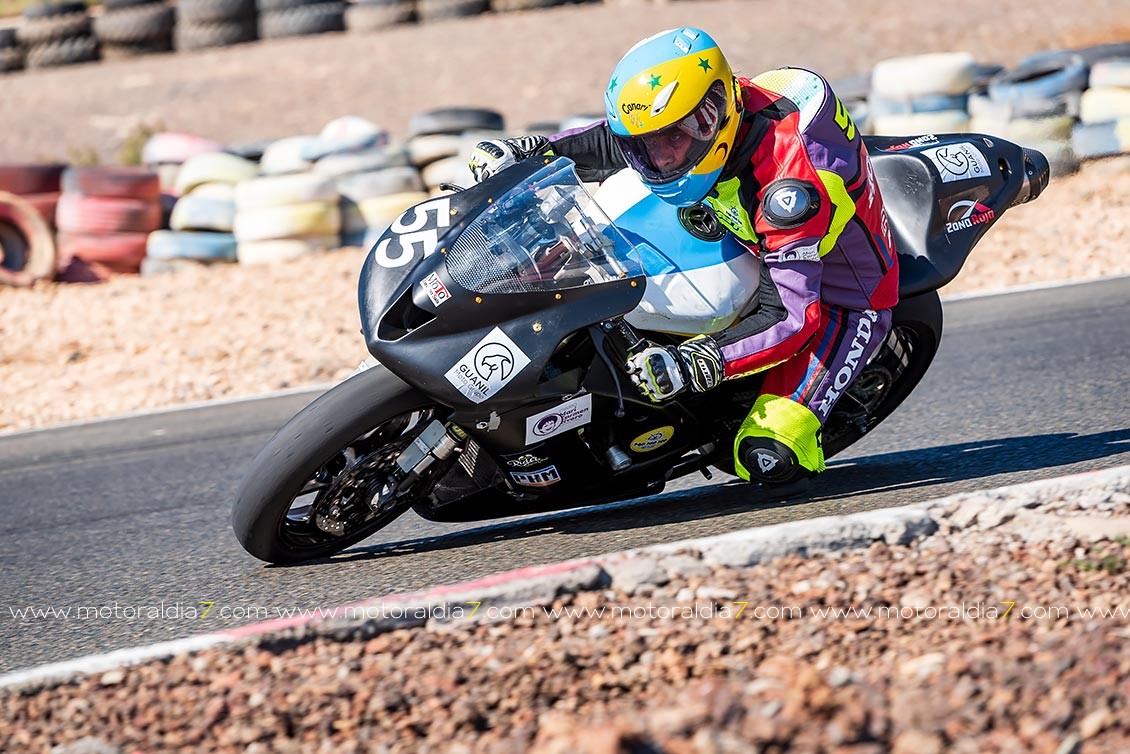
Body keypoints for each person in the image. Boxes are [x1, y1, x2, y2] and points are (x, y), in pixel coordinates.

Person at [468, 27, 899, 496]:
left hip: (841, 294)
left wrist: (701, 359)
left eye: (671, 138)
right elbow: (612, 144)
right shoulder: (712, 112)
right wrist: (532, 152)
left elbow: (794, 316)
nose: (657, 157)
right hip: (737, 225)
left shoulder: (789, 190)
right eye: (645, 145)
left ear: (712, 115)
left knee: (767, 456)